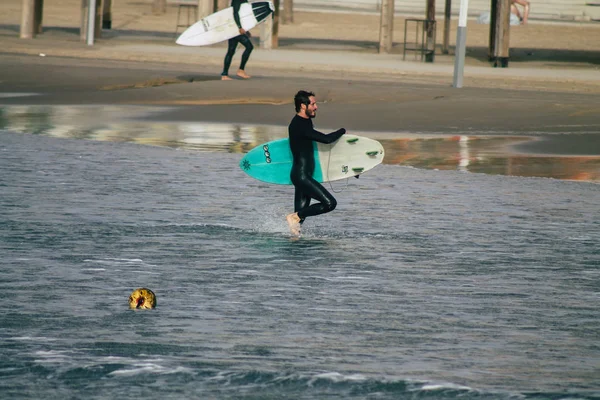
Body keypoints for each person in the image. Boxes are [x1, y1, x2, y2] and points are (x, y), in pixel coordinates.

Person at [286, 90, 347, 236]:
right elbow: (326, 140)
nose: (316, 107)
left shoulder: (304, 122)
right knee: (330, 204)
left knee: (296, 227)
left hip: (303, 175)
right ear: (303, 106)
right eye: (313, 104)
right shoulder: (299, 125)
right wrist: (343, 131)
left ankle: (295, 249)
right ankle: (294, 217)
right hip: (302, 176)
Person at [221, 0, 253, 80]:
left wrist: (246, 30)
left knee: (231, 51)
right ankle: (241, 70)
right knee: (249, 47)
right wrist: (239, 27)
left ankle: (224, 74)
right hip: (235, 29)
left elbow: (242, 16)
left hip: (233, 28)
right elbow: (235, 13)